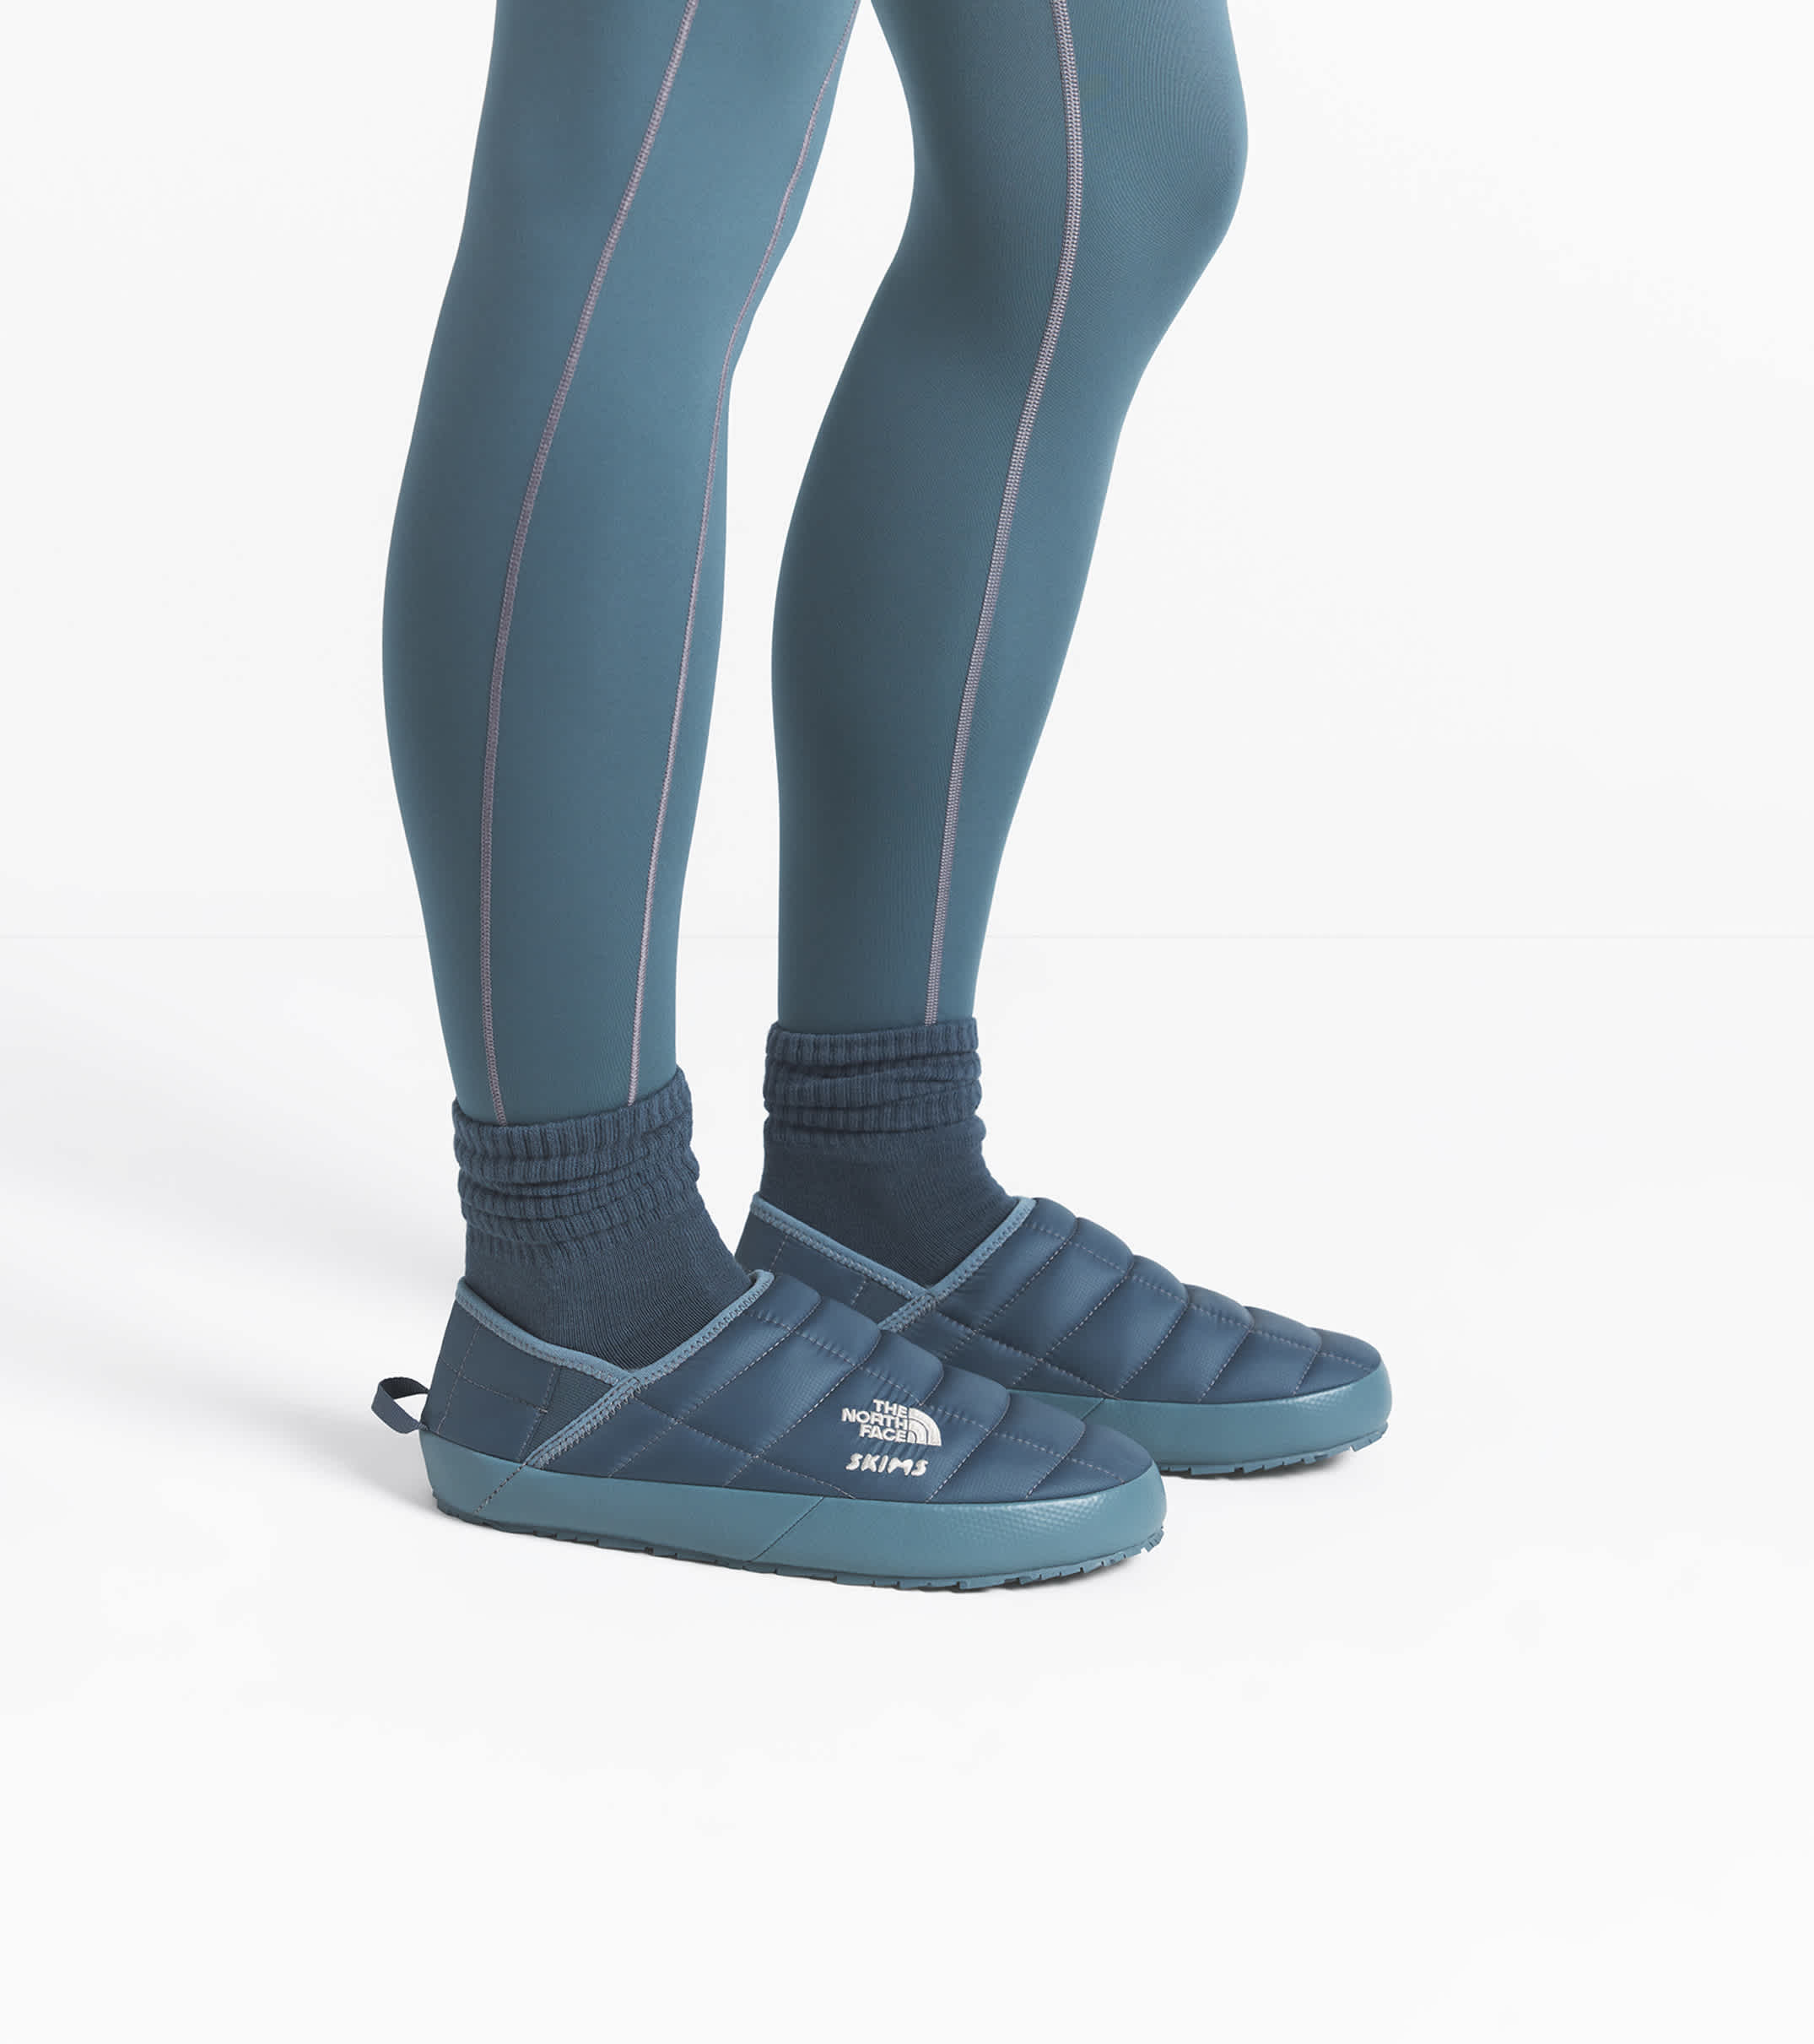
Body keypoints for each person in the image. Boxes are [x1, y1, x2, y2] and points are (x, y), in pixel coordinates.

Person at [370, 0, 1389, 1587]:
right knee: (660, 160)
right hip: (579, 1293)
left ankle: (875, 1166)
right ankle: (578, 1285)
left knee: (1115, 170)